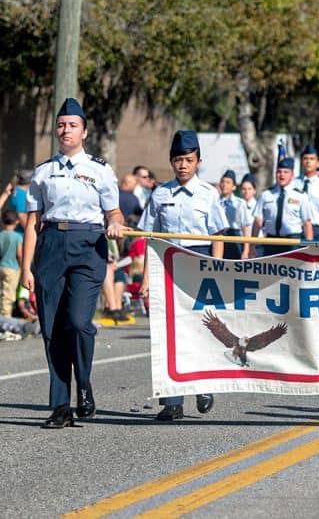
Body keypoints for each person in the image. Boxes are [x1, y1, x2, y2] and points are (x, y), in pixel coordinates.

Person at [21, 98, 126, 428]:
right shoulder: (42, 173)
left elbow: (114, 211)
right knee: (52, 329)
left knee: (79, 323)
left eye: (72, 125)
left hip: (87, 245)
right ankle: (60, 406)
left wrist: (115, 223)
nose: (65, 130)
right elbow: (32, 222)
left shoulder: (100, 170)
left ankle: (84, 381)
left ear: (84, 131)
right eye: (61, 124)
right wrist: (26, 267)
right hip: (51, 245)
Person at [138, 129, 228, 421]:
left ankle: (203, 386)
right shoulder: (161, 193)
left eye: (188, 160)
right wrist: (146, 278)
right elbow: (151, 237)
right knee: (167, 333)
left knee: (200, 328)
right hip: (167, 264)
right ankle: (171, 401)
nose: (183, 166)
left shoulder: (208, 193)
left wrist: (218, 269)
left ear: (198, 161)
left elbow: (218, 235)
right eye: (177, 160)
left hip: (199, 264)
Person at [251, 157, 313, 256]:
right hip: (271, 240)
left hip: (292, 241)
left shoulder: (300, 196)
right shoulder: (266, 194)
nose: (282, 175)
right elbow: (258, 220)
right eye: (279, 172)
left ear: (292, 175)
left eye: (285, 172)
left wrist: (310, 248)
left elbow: (307, 223)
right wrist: (252, 245)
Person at [218, 170, 253, 260]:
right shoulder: (216, 202)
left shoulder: (239, 203)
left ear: (234, 187)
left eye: (228, 182)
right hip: (219, 237)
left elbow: (245, 229)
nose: (224, 184)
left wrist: (246, 250)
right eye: (222, 182)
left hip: (234, 239)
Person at [0, 210, 22, 318]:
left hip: (1, 266)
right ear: (17, 222)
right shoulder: (17, 237)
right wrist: (23, 267)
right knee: (8, 295)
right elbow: (19, 254)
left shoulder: (1, 235)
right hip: (12, 268)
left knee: (1, 292)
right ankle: (6, 318)